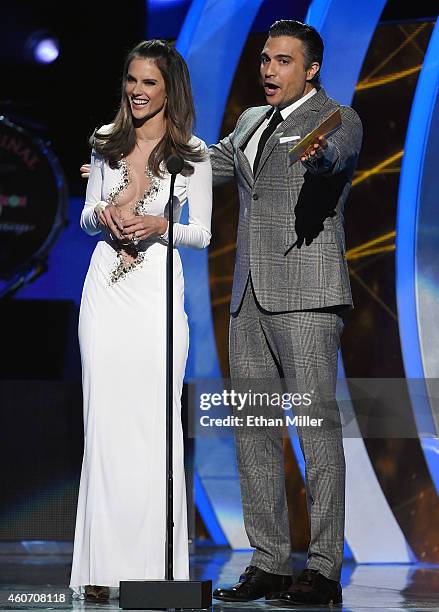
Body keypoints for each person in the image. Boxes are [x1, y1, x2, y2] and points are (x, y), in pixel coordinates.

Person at [209, 20, 362, 607]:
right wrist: (133, 166)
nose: (269, 70)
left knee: (316, 435)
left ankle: (322, 570)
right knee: (253, 433)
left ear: (311, 69)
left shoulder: (336, 117)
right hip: (248, 299)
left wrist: (320, 156)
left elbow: (333, 157)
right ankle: (269, 562)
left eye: (283, 61)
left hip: (308, 296)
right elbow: (208, 166)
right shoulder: (249, 121)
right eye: (265, 60)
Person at [69, 39, 212, 600]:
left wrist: (158, 227)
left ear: (169, 88)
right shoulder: (106, 143)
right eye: (131, 80)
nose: (136, 91)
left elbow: (201, 231)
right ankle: (100, 573)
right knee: (103, 425)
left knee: (154, 427)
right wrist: (101, 215)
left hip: (156, 290)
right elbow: (84, 215)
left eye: (148, 82)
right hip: (105, 291)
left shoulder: (191, 153)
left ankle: (155, 573)